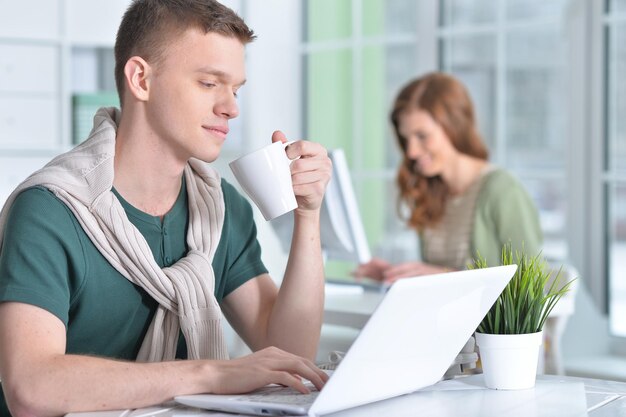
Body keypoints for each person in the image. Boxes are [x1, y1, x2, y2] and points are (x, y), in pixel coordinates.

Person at [0, 1, 332, 416]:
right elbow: (32, 388)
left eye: (236, 88)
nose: (232, 107)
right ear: (141, 78)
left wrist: (308, 213)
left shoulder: (220, 209)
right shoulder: (49, 211)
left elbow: (289, 353)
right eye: (210, 83)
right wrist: (211, 375)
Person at [354, 72, 542, 284]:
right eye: (406, 139)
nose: (411, 152)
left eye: (422, 136)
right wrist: (397, 276)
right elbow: (439, 280)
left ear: (455, 127)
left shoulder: (503, 191)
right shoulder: (431, 191)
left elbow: (531, 288)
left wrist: (441, 276)